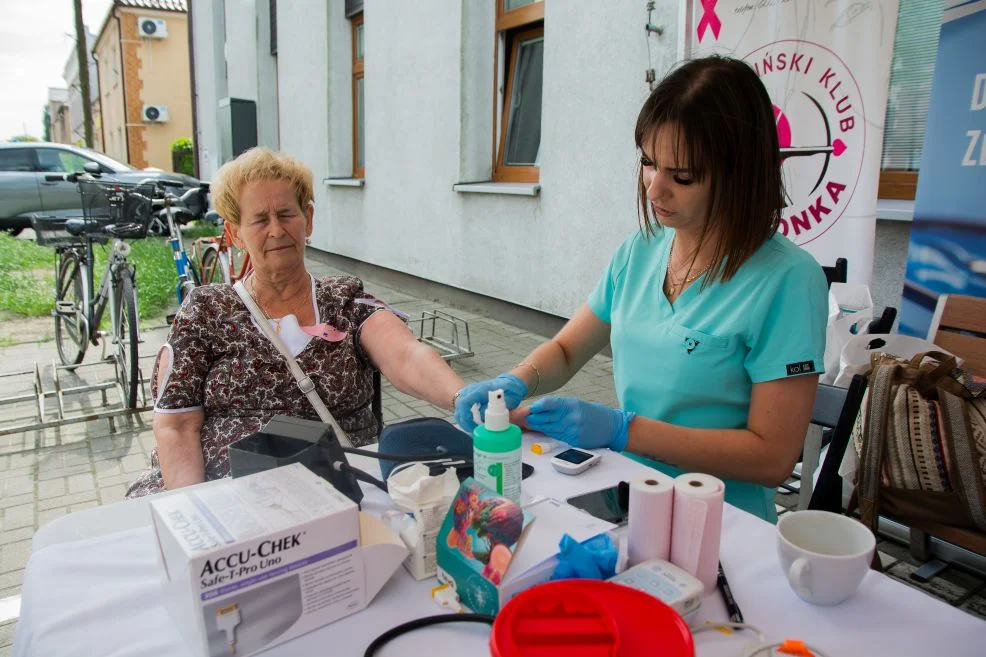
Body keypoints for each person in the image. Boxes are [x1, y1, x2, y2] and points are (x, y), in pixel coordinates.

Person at [455, 56, 828, 522]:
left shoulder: (788, 281)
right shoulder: (641, 251)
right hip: (626, 494)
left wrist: (622, 430)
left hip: (722, 523)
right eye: (649, 163)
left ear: (739, 173)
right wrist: (515, 381)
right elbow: (570, 349)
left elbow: (771, 458)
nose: (654, 190)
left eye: (683, 176)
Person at [127, 148, 466, 497]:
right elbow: (177, 426)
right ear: (236, 234)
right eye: (259, 220)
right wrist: (197, 510)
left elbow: (405, 355)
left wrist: (462, 397)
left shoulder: (344, 299)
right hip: (225, 494)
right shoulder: (206, 311)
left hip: (338, 490)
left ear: (308, 219)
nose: (276, 230)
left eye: (286, 213)